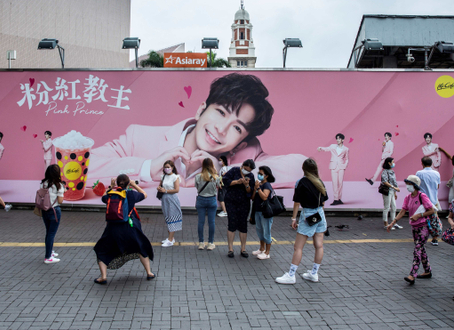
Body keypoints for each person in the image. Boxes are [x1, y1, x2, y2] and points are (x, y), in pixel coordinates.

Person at [87, 73, 307, 189]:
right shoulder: (138, 137)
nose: (221, 130)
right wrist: (149, 167)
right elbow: (81, 165)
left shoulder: (245, 155)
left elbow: (301, 166)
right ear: (201, 109)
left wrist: (223, 173)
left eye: (237, 127)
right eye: (221, 112)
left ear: (241, 143)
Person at [93, 175, 155, 284]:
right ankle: (149, 272)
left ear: (117, 183)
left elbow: (103, 198)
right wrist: (134, 185)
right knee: (141, 246)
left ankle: (103, 277)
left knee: (102, 249)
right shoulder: (130, 194)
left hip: (112, 229)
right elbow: (144, 195)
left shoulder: (111, 194)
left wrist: (111, 187)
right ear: (127, 184)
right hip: (130, 227)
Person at [276, 158, 327, 284]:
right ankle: (314, 273)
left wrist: (294, 218)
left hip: (308, 214)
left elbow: (297, 202)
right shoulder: (320, 182)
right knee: (319, 245)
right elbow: (324, 201)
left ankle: (291, 275)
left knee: (298, 247)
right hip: (320, 214)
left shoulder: (301, 182)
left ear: (303, 169)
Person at [387, 175, 434, 285]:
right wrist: (392, 223)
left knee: (417, 249)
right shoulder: (408, 198)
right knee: (421, 248)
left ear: (415, 185)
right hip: (414, 227)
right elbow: (403, 211)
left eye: (409, 184)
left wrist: (419, 215)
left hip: (423, 227)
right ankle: (427, 270)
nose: (407, 186)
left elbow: (431, 210)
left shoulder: (422, 196)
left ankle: (413, 274)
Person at [222, 158, 255, 258]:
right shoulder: (234, 170)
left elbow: (250, 191)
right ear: (242, 166)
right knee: (232, 222)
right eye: (246, 169)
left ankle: (243, 249)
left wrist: (246, 185)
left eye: (249, 171)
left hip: (244, 202)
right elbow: (225, 181)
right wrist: (237, 182)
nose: (247, 172)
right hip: (231, 201)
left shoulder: (251, 176)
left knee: (243, 224)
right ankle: (230, 249)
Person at [40, 164, 64, 264]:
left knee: (48, 232)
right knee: (51, 234)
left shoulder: (43, 183)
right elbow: (60, 200)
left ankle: (50, 251)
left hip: (44, 210)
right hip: (54, 211)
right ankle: (48, 257)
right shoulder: (58, 185)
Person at [317, 133, 349, 205]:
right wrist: (320, 148)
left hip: (341, 167)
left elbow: (347, 159)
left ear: (342, 139)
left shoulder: (346, 149)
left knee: (340, 183)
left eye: (339, 138)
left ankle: (339, 199)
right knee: (335, 183)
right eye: (337, 138)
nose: (337, 140)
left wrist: (344, 165)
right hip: (333, 166)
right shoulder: (333, 146)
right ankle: (335, 199)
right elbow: (326, 149)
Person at [252, 166, 276, 260]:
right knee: (260, 230)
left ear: (266, 176)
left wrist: (258, 189)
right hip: (258, 211)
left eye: (261, 174)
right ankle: (261, 248)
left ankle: (267, 252)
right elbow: (253, 198)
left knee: (266, 232)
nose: (259, 175)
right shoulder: (260, 184)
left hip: (265, 212)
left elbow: (265, 197)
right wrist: (255, 188)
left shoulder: (267, 185)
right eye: (259, 173)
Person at [416, 156, 441, 245]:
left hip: (423, 200)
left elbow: (417, 185)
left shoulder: (419, 173)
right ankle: (435, 238)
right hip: (434, 199)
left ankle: (422, 237)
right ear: (431, 163)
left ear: (422, 163)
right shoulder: (437, 173)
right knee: (434, 219)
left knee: (421, 218)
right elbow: (437, 186)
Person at [195, 158, 219, 250]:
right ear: (212, 165)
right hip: (212, 200)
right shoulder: (215, 177)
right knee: (211, 222)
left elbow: (197, 188)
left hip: (201, 199)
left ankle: (201, 243)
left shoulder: (198, 176)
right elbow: (220, 186)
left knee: (201, 222)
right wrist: (215, 172)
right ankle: (210, 243)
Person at [157, 160, 182, 247]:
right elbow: (160, 186)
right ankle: (171, 237)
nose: (167, 169)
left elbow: (176, 190)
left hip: (172, 199)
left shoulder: (175, 177)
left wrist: (166, 190)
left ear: (172, 167)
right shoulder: (163, 177)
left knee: (172, 217)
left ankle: (170, 240)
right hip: (165, 199)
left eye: (168, 167)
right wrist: (159, 188)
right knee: (167, 217)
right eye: (165, 167)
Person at [380, 157, 402, 230]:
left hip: (392, 191)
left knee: (394, 207)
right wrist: (394, 188)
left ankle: (393, 223)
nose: (393, 163)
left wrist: (395, 192)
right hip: (387, 191)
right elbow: (384, 181)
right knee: (386, 207)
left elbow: (394, 182)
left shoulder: (392, 171)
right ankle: (386, 223)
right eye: (392, 162)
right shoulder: (385, 172)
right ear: (389, 163)